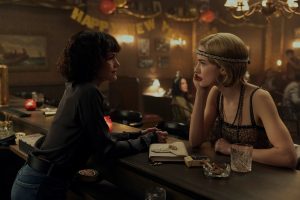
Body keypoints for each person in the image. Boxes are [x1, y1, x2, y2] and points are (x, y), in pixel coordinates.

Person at [11, 30, 168, 200]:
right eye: (111, 57)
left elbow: (96, 136)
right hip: (41, 187)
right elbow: (106, 149)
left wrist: (137, 133)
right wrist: (148, 140)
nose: (117, 63)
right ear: (93, 61)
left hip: (34, 180)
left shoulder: (75, 86)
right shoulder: (89, 92)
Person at [189, 32, 297, 168]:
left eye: (202, 63)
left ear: (223, 69)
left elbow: (288, 157)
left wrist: (231, 149)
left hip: (263, 181)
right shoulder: (216, 94)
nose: (196, 69)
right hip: (229, 178)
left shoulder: (259, 98)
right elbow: (195, 141)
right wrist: (200, 92)